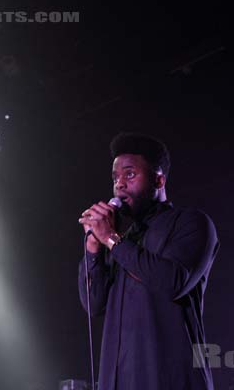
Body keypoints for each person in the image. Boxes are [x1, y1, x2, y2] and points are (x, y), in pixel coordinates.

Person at [77, 132, 218, 390]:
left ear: (159, 179)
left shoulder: (191, 223)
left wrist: (111, 239)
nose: (119, 184)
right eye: (115, 177)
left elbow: (174, 281)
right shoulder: (122, 238)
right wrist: (93, 247)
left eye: (129, 174)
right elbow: (93, 304)